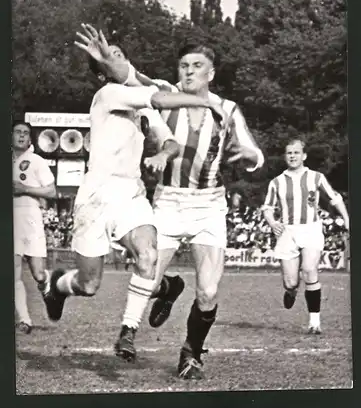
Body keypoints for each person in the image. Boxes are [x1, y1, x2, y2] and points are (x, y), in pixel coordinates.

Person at [44, 24, 227, 362]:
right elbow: (157, 96)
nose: (118, 60)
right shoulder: (109, 94)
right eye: (110, 58)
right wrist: (204, 101)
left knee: (147, 254)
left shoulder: (142, 107)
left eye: (120, 54)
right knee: (89, 285)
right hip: (96, 198)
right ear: (102, 74)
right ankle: (58, 285)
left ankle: (127, 333)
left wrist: (162, 153)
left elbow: (169, 140)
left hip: (130, 193)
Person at [136, 43, 264, 379]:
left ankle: (191, 354)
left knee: (208, 291)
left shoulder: (227, 109)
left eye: (197, 65)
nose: (189, 71)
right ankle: (169, 288)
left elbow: (255, 152)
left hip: (208, 206)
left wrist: (249, 156)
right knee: (145, 285)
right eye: (183, 65)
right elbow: (134, 77)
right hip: (167, 202)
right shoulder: (164, 94)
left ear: (211, 73)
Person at [262, 138, 349, 334]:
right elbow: (267, 208)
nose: (292, 156)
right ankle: (291, 291)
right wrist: (273, 222)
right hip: (287, 232)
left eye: (296, 152)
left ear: (304, 156)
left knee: (310, 270)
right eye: (289, 153)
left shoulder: (316, 177)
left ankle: (314, 323)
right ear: (285, 156)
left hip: (311, 228)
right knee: (291, 282)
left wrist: (347, 219)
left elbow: (335, 199)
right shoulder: (276, 182)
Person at [12, 120, 57, 334]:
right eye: (17, 132)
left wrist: (25, 188)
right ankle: (24, 320)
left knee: (39, 274)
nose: (21, 135)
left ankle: (48, 288)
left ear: (30, 139)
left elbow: (51, 192)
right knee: (14, 273)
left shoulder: (36, 161)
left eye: (25, 133)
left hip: (30, 218)